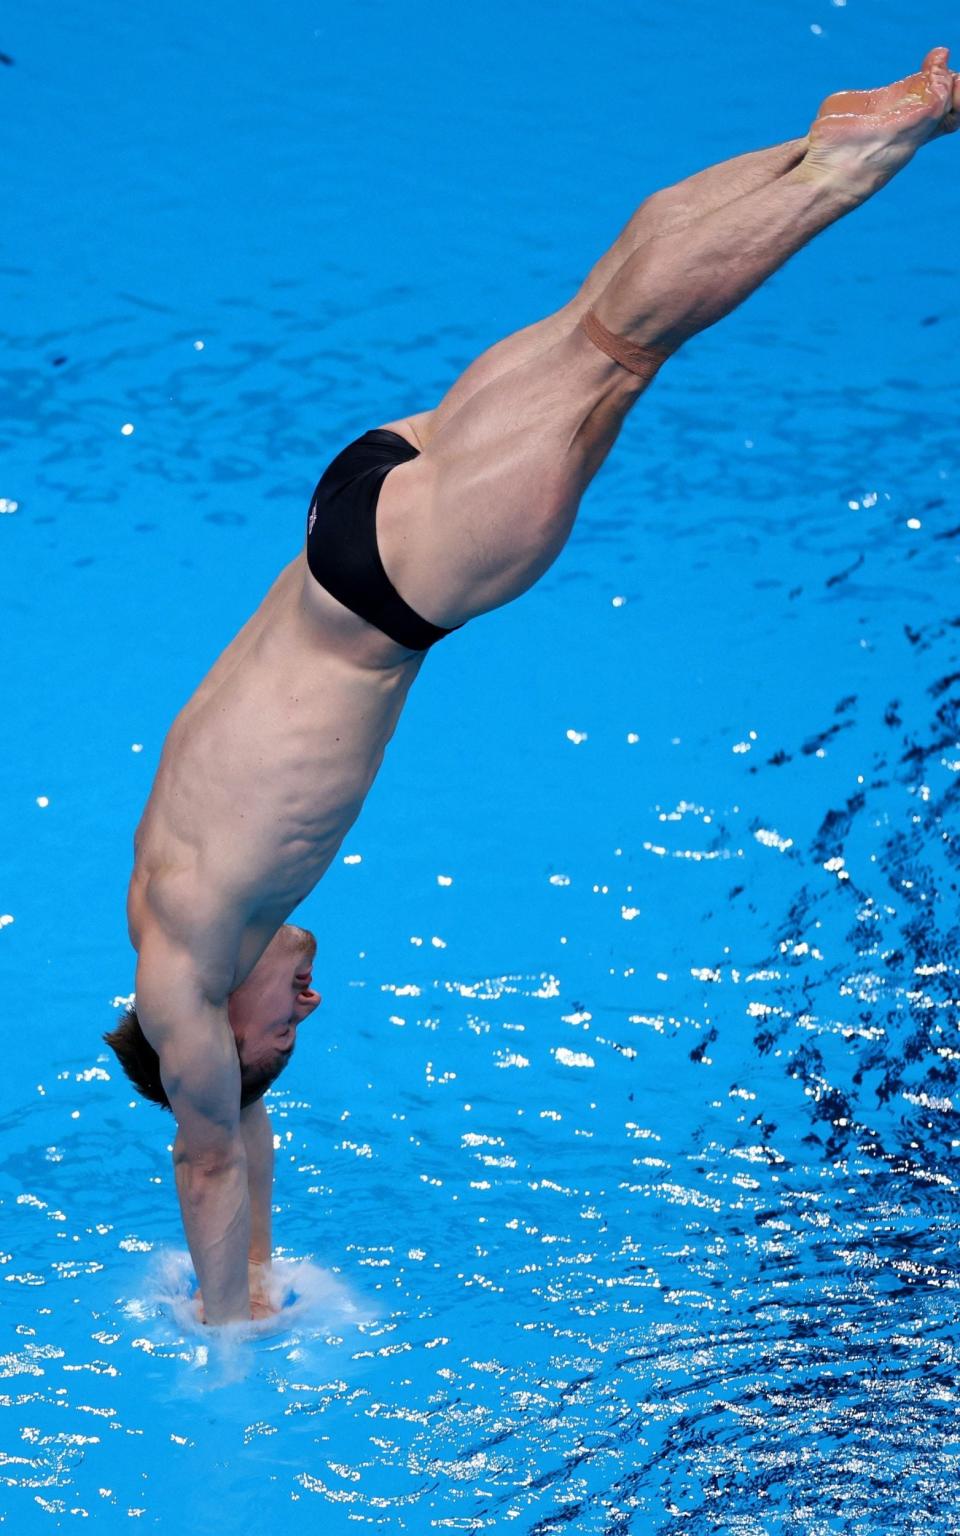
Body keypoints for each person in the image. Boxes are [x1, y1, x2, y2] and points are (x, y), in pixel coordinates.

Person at [105, 50, 960, 1323]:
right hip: (354, 514)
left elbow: (211, 1148)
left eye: (286, 1035)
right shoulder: (174, 918)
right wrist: (271, 1256)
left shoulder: (184, 985)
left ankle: (852, 161)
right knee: (599, 326)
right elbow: (247, 1142)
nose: (310, 1003)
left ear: (218, 1047)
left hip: (395, 588)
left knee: (624, 342)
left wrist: (229, 1325)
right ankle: (833, 145)